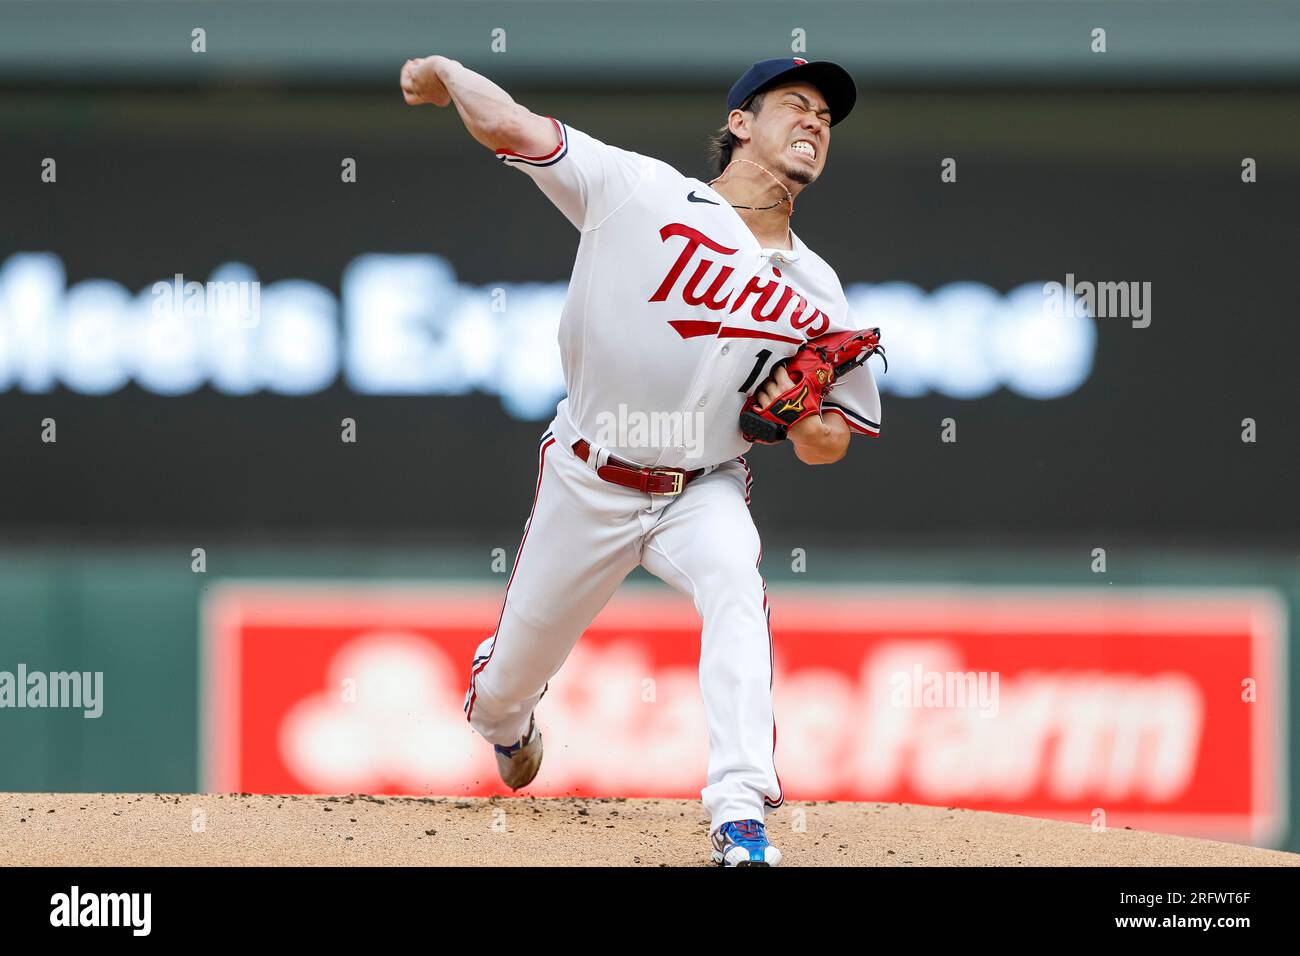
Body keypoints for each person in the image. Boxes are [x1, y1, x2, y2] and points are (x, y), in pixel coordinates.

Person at [401, 54, 881, 867]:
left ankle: (741, 815)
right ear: (739, 123)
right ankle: (506, 715)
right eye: (795, 106)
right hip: (589, 476)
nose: (814, 123)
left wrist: (801, 414)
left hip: (702, 487)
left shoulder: (819, 289)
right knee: (498, 696)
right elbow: (510, 126)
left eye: (826, 119)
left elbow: (833, 441)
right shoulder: (642, 192)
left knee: (736, 580)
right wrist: (450, 72)